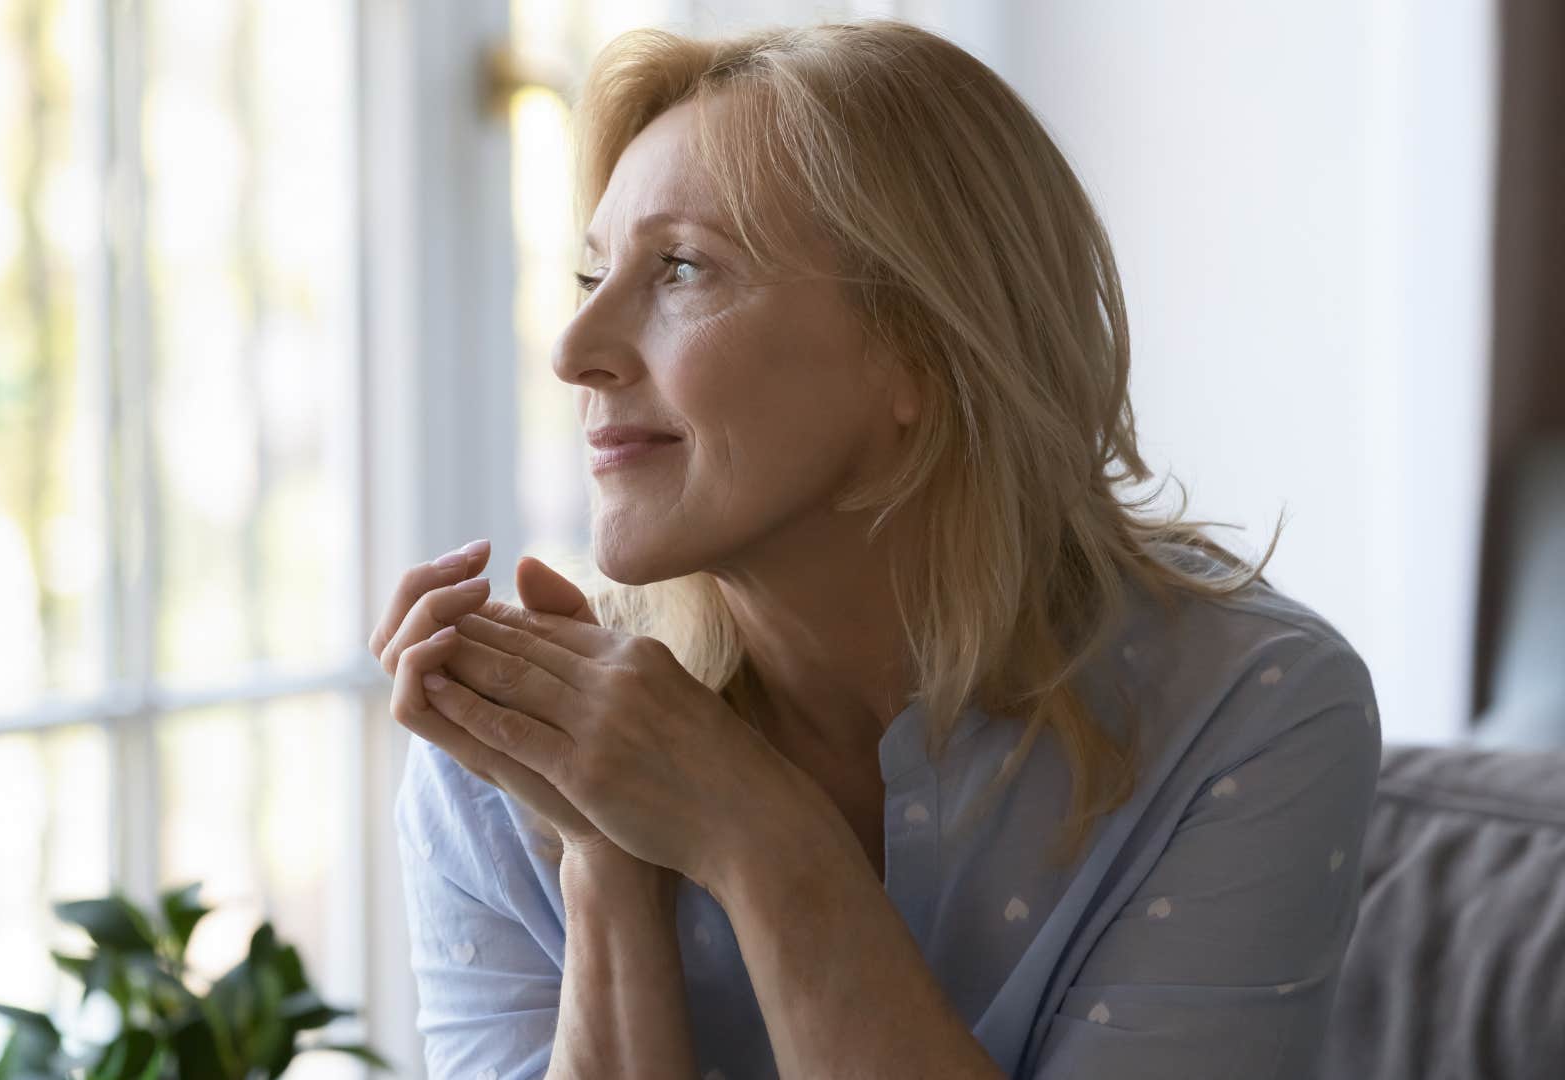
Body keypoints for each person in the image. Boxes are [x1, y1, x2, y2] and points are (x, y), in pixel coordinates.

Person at [368, 18, 1382, 1080]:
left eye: (679, 268)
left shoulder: (1249, 710)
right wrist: (602, 861)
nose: (574, 350)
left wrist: (756, 834)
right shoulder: (502, 760)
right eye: (590, 278)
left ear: (924, 349)